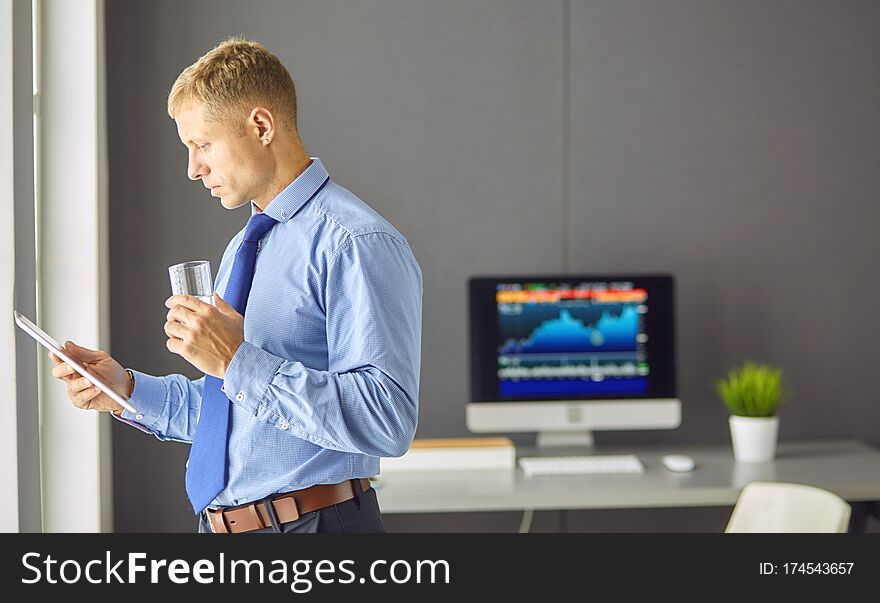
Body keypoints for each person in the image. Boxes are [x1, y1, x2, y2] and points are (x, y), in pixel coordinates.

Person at [49, 37, 422, 534]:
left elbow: (387, 421)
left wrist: (235, 359)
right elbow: (235, 412)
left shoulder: (355, 242)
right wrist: (125, 390)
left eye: (202, 145)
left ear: (261, 126)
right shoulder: (246, 248)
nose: (192, 168)